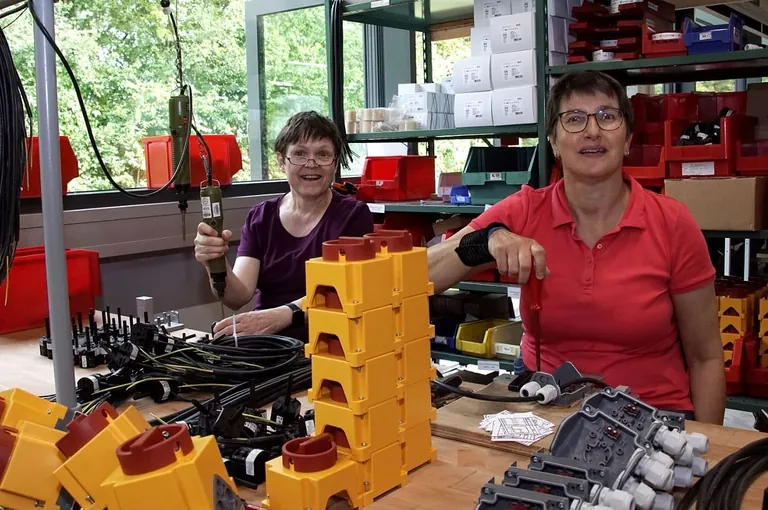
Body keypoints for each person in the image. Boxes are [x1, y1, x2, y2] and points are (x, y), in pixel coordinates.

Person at [428, 71, 726, 424]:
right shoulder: (524, 209)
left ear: (628, 139)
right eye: (573, 119)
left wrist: (710, 452)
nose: (592, 130)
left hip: (654, 414)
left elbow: (706, 358)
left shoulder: (672, 222)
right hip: (545, 407)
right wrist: (485, 239)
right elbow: (418, 276)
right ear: (553, 143)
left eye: (607, 116)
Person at [194, 111, 374, 340]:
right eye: (299, 154)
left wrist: (282, 316)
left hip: (329, 344)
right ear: (281, 161)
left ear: (334, 163)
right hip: (269, 345)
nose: (312, 164)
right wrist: (214, 261)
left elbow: (344, 292)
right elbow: (237, 296)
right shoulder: (261, 217)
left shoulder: (353, 216)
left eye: (323, 154)